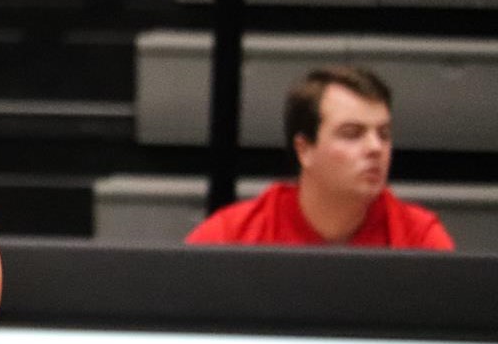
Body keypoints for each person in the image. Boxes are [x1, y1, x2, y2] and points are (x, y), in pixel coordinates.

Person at [186, 65, 454, 250]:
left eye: (383, 134)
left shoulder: (420, 239)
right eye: (352, 133)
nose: (375, 147)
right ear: (304, 150)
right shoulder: (230, 237)